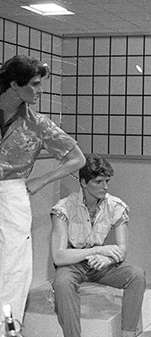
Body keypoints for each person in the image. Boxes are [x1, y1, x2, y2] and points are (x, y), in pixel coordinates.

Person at [0, 55, 86, 321]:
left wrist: (42, 179)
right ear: (15, 84)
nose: (40, 90)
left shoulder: (38, 124)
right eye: (35, 84)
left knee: (14, 268)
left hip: (11, 193)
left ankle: (7, 328)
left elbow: (77, 159)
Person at [50, 154, 146, 337]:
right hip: (73, 263)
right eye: (99, 182)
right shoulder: (63, 208)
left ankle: (128, 333)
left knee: (137, 275)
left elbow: (122, 249)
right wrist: (98, 250)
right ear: (84, 183)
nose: (105, 187)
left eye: (107, 181)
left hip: (100, 264)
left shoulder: (115, 206)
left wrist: (106, 259)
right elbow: (59, 256)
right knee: (62, 283)